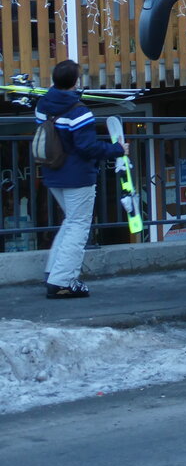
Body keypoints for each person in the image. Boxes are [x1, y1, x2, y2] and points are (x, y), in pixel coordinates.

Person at [34, 60, 127, 299]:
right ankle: (62, 281)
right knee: (78, 225)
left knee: (71, 221)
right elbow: (87, 148)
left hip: (52, 172)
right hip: (78, 177)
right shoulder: (79, 111)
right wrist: (117, 149)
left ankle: (53, 272)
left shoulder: (43, 105)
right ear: (76, 82)